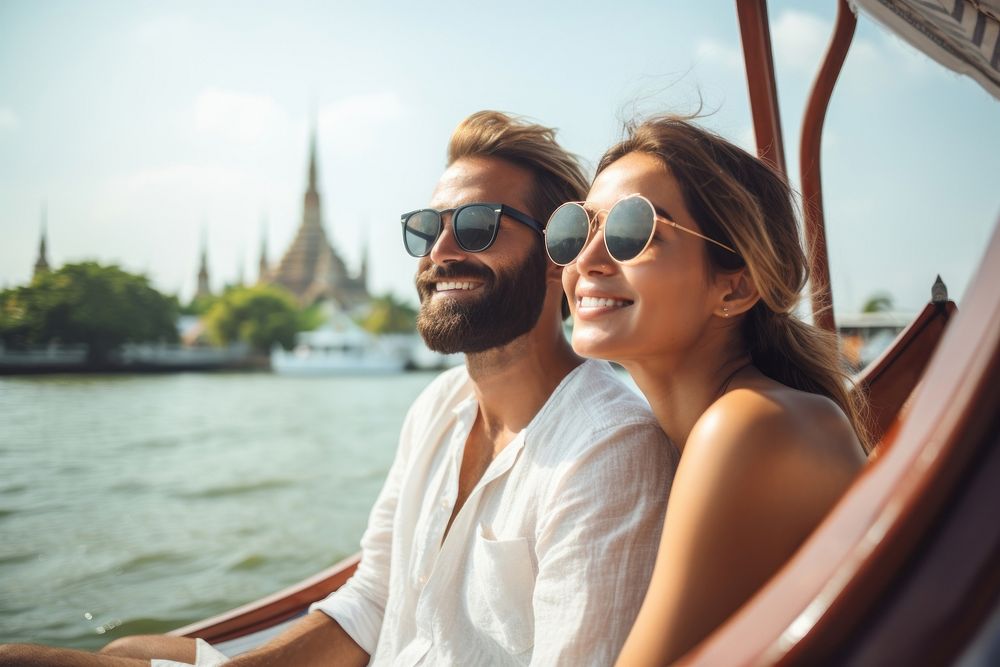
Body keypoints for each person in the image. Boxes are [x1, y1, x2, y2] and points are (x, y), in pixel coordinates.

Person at [0, 111, 677, 667]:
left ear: (560, 254)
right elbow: (376, 601)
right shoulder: (437, 407)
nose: (440, 251)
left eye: (477, 226)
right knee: (121, 649)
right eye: (426, 227)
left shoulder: (607, 446)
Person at [543, 115, 868, 665]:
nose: (587, 261)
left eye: (630, 232)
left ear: (736, 285)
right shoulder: (721, 426)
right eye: (578, 230)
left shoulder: (749, 427)